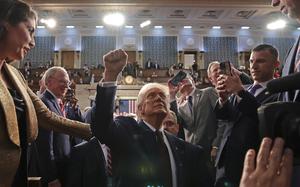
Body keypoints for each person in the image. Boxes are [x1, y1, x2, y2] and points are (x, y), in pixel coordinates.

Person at [0, 1, 92, 186]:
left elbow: (47, 117)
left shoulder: (15, 76)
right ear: (6, 23)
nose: (33, 42)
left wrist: (98, 132)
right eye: (30, 30)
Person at [91, 49, 213, 187]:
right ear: (140, 109)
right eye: (151, 96)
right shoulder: (127, 131)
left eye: (162, 96)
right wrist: (110, 76)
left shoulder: (184, 148)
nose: (158, 99)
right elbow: (101, 126)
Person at [214, 44, 280, 187]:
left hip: (252, 166)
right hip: (225, 164)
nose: (254, 66)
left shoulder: (280, 93)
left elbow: (262, 119)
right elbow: (225, 117)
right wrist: (223, 99)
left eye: (260, 61)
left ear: (276, 64)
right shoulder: (244, 89)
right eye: (251, 61)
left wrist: (239, 91)